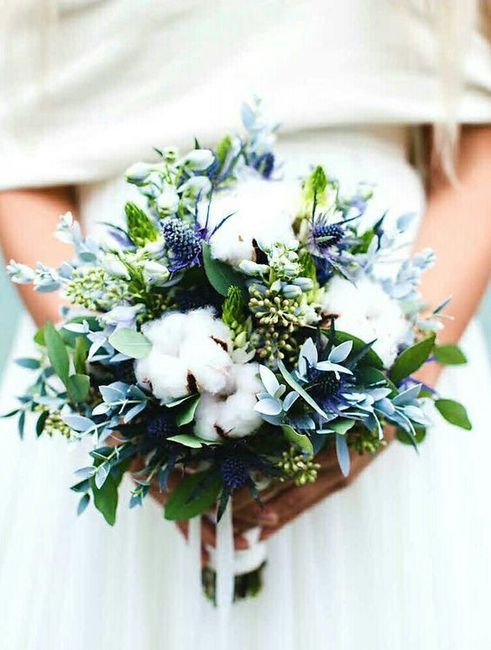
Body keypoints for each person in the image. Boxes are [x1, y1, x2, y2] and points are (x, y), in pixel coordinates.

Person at [0, 1, 490, 648]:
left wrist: (399, 377)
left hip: (393, 312)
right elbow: (14, 148)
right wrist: (109, 383)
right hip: (108, 313)